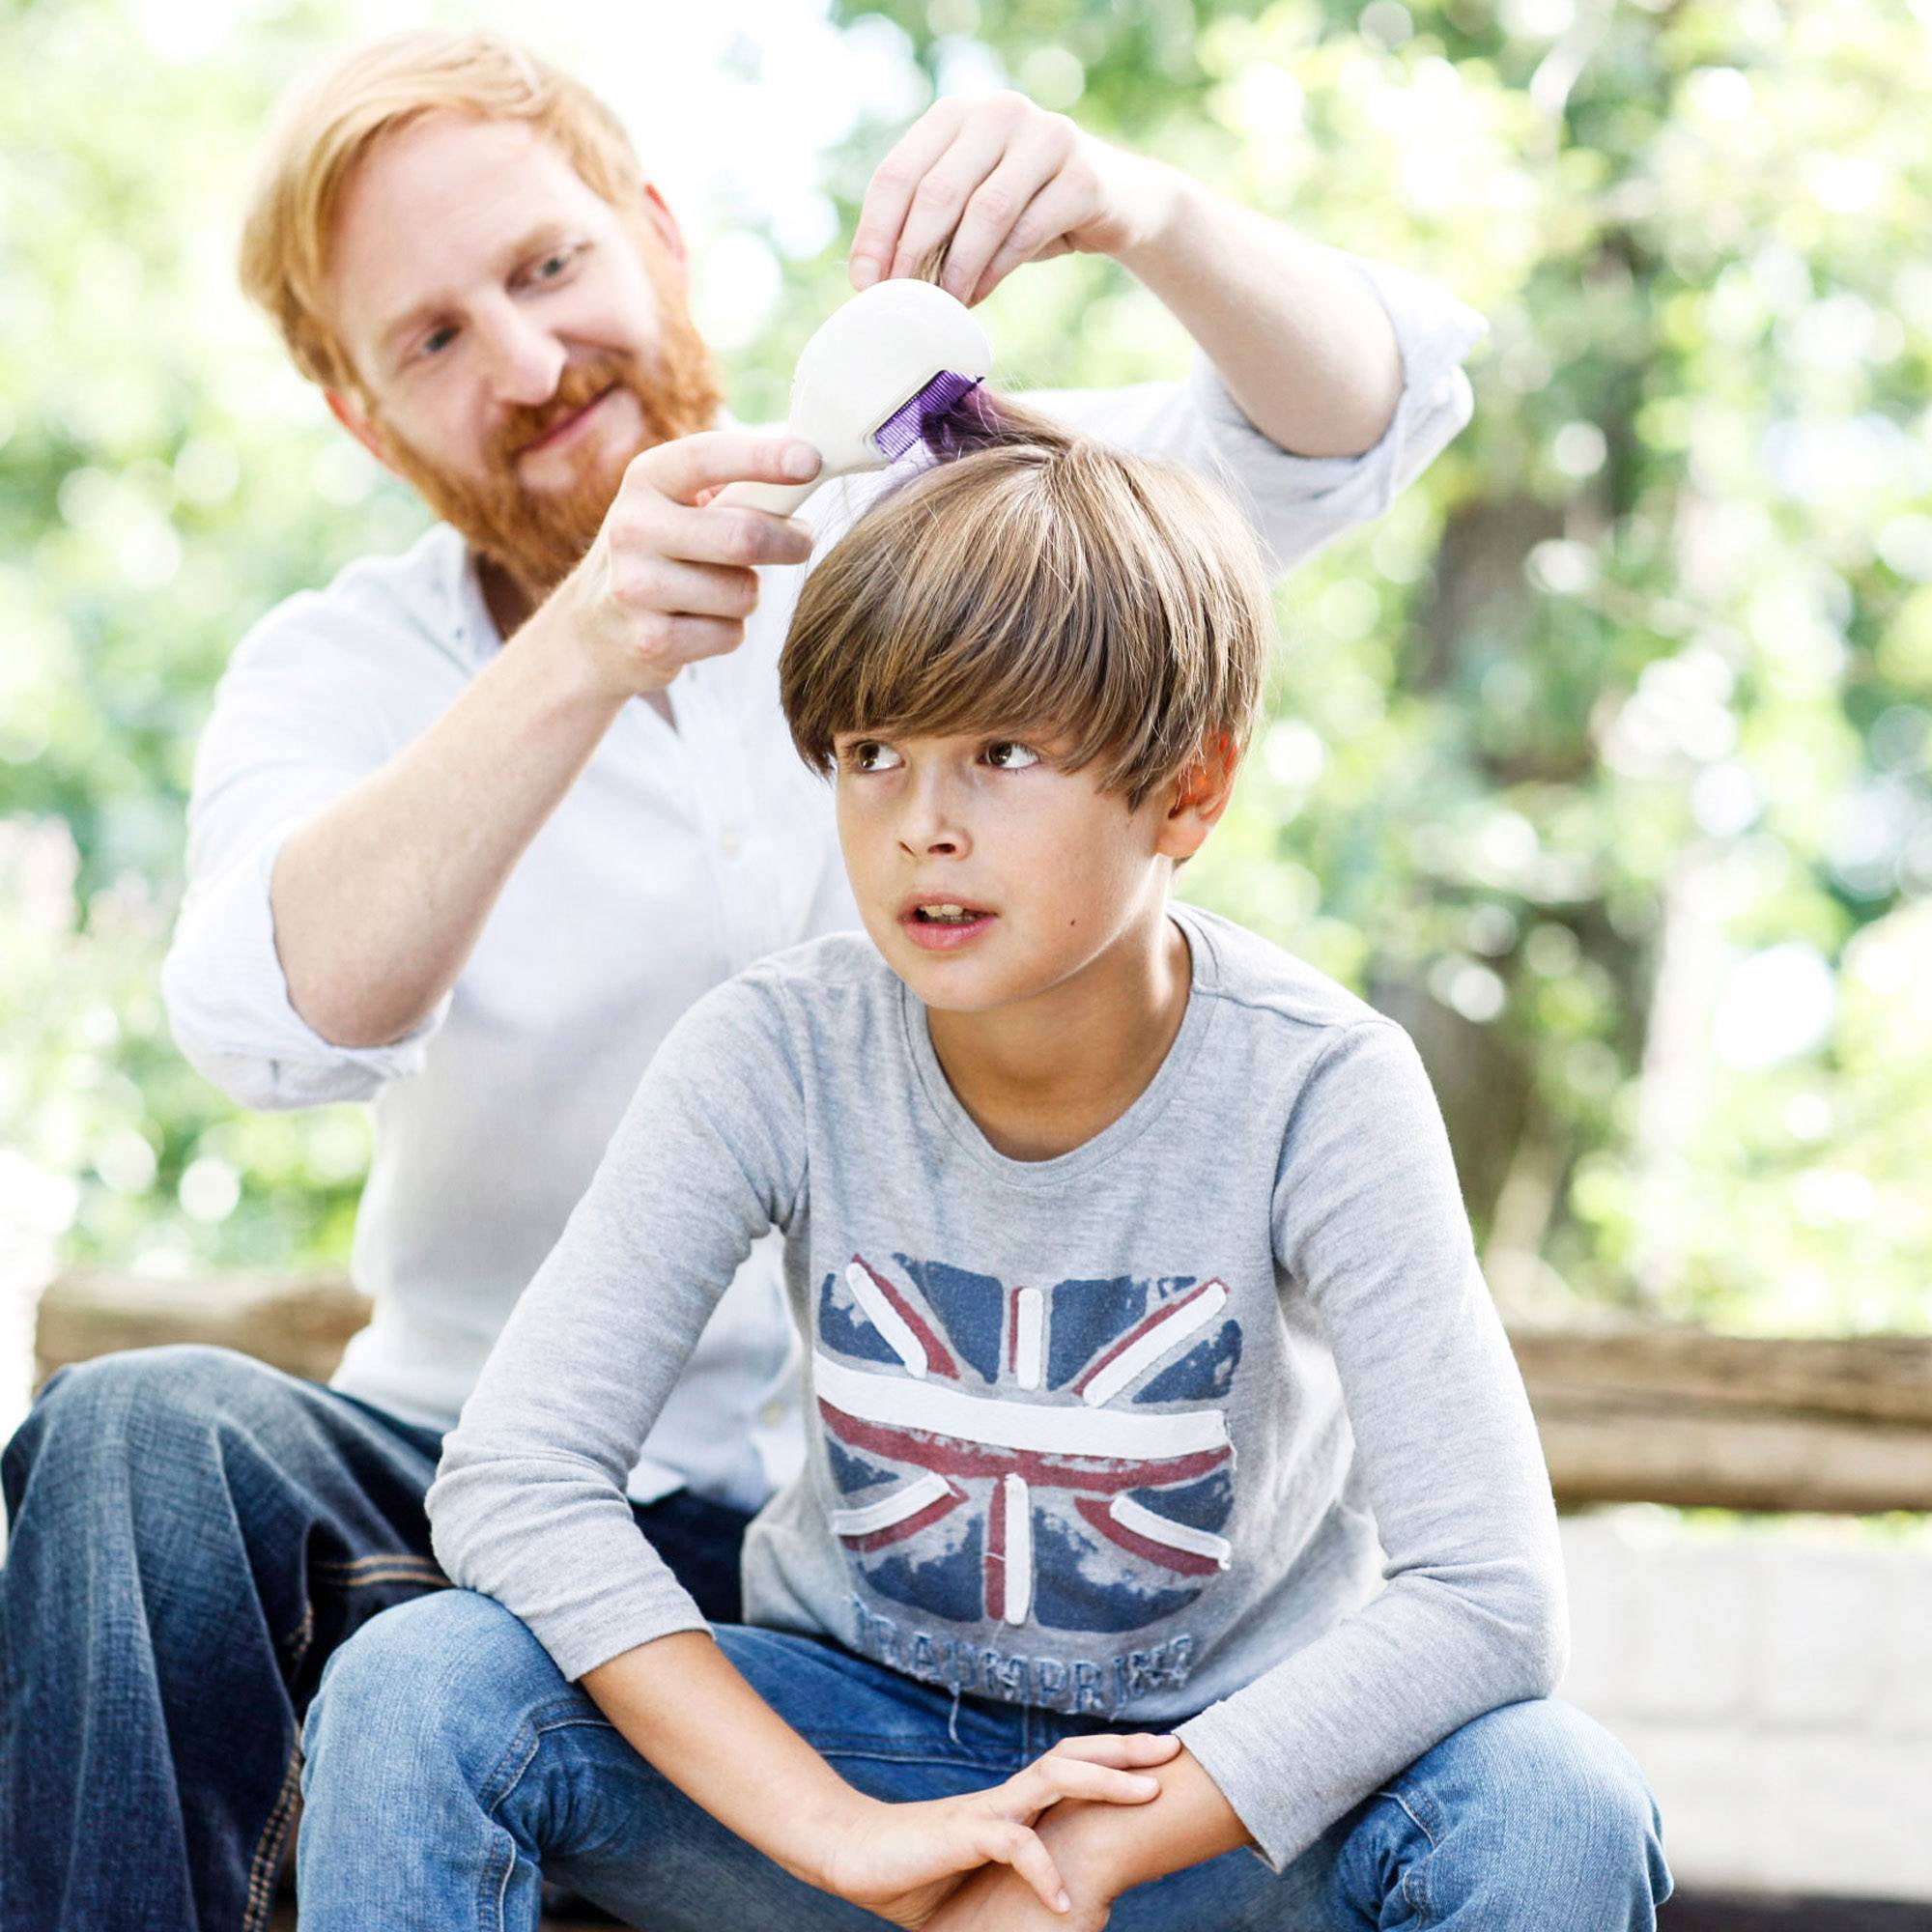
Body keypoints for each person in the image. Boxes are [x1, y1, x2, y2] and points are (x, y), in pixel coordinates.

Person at [0, 28, 1489, 1932]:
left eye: (546, 272)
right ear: (361, 419)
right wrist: (582, 654)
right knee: (132, 1438)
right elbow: (274, 1017)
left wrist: (1145, 209)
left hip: (882, 1551)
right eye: (434, 342)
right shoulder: (345, 671)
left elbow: (1350, 423)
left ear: (653, 234)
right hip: (487, 1492)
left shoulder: (944, 541)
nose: (530, 364)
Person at [297, 408, 1672, 1929]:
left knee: (1555, 1802)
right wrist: (850, 1838)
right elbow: (514, 1481)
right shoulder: (774, 1050)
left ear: (1189, 791)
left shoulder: (1322, 1088)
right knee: (424, 1680)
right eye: (873, 756)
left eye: (1002, 754)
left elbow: (1486, 1599)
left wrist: (1073, 1864)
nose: (922, 829)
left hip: (1211, 1809)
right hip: (858, 1757)